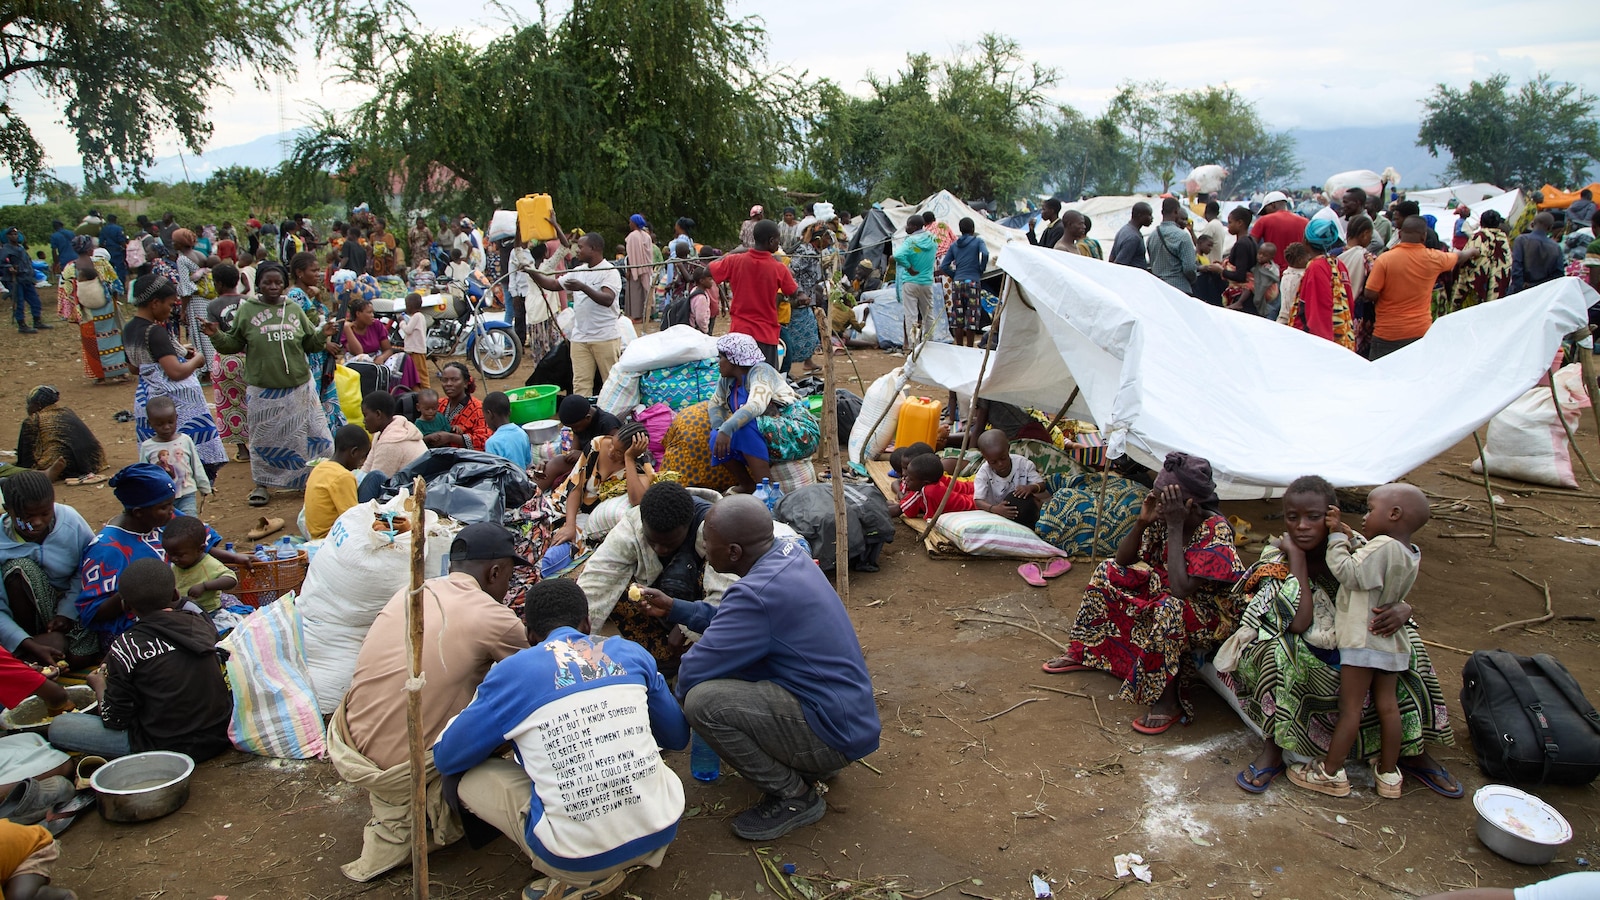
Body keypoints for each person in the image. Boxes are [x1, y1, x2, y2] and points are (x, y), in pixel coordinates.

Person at [435, 577, 687, 897]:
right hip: (662, 827)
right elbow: (677, 737)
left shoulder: (511, 673)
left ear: (529, 634)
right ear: (586, 623)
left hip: (577, 858)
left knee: (465, 778)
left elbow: (447, 757)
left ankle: (585, 879)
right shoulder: (630, 653)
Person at [651, 496, 879, 840]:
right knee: (727, 677)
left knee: (703, 701)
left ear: (733, 553)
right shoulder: (788, 560)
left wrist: (662, 722)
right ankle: (811, 763)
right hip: (845, 720)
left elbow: (693, 671)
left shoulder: (756, 593)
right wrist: (677, 609)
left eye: (707, 543)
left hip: (832, 733)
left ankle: (795, 795)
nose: (703, 550)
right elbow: (733, 623)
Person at [1216, 476, 1458, 797]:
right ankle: (1275, 747)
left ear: (1332, 515)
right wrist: (1298, 560)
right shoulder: (1277, 558)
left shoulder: (1360, 545)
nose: (1302, 526)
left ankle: (1411, 751)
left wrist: (1403, 608)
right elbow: (1299, 622)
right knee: (1279, 652)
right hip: (1305, 641)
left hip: (1358, 643)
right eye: (1293, 518)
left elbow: (1393, 585)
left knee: (1410, 645)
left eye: (1313, 517)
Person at [330, 522, 529, 883]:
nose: (508, 587)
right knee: (516, 709)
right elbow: (537, 680)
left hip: (353, 743)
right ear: (495, 571)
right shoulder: (493, 617)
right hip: (404, 764)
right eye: (509, 577)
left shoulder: (410, 592)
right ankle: (442, 805)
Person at [1043, 452, 1244, 734]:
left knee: (1169, 607)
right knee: (1108, 571)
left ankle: (1168, 700)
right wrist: (1142, 523)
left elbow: (1181, 590)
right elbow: (1123, 560)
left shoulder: (1215, 532)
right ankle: (1087, 651)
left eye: (1164, 498)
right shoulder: (1162, 520)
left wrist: (1174, 526)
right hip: (1166, 592)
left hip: (1209, 613)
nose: (1156, 501)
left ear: (1188, 504)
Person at [1288, 483, 1429, 798]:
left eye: (1370, 509)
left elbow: (1349, 572)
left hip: (1362, 640)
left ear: (1393, 514)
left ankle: (1330, 771)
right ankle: (1390, 775)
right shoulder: (1410, 552)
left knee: (1351, 708)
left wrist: (1337, 538)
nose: (1365, 516)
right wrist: (1352, 537)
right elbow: (1374, 566)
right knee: (1388, 708)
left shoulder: (1382, 546)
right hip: (1390, 642)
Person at [48, 558, 231, 761]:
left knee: (59, 727)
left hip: (165, 748)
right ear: (175, 594)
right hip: (218, 735)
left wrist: (99, 685)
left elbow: (114, 719)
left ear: (125, 606)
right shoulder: (200, 623)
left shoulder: (127, 647)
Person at [201, 261, 341, 505]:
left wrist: (322, 334)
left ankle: (315, 479)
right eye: (267, 282)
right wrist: (215, 335)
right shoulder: (248, 310)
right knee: (264, 441)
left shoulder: (294, 309)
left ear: (284, 284)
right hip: (264, 390)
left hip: (299, 387)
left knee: (315, 437)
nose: (273, 287)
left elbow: (309, 343)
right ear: (258, 285)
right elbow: (232, 344)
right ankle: (262, 484)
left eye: (278, 282)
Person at [576, 480, 735, 671]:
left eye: (669, 543)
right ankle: (663, 662)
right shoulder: (632, 527)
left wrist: (687, 627)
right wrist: (573, 642)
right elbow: (596, 580)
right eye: (652, 541)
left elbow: (729, 599)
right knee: (618, 590)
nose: (660, 549)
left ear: (687, 525)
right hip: (661, 613)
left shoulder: (716, 531)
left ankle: (698, 662)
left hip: (706, 618)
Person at [125, 274, 228, 479]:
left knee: (158, 452)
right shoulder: (154, 332)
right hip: (171, 403)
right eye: (170, 304)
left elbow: (134, 368)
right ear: (155, 303)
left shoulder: (129, 328)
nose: (172, 309)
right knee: (181, 447)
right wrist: (198, 360)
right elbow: (175, 372)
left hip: (146, 399)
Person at [0, 473, 99, 668]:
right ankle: (32, 644)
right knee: (19, 567)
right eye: (26, 517)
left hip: (75, 604)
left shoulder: (70, 521)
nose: (37, 522)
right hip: (26, 618)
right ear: (8, 510)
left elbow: (88, 568)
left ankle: (36, 652)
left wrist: (67, 613)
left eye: (45, 513)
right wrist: (26, 642)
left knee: (79, 657)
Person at [708, 333, 820, 493]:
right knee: (715, 437)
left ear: (734, 359)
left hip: (797, 431)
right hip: (766, 429)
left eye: (721, 358)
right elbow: (715, 403)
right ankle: (748, 485)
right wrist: (719, 428)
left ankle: (766, 488)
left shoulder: (762, 372)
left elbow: (756, 405)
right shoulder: (727, 380)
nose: (717, 363)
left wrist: (728, 428)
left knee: (743, 426)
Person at [1363, 217, 1476, 359]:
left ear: (1399, 234)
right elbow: (1458, 257)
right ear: (1424, 236)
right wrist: (1473, 251)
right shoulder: (1434, 258)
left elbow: (1370, 293)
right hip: (1420, 332)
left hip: (1388, 332)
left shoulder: (1385, 259)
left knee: (1381, 377)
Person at [529, 233, 621, 398]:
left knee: (611, 382)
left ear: (594, 249)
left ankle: (612, 419)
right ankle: (582, 418)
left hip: (605, 337)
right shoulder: (578, 271)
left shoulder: (610, 272)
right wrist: (531, 272)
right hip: (580, 339)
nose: (576, 250)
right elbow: (552, 284)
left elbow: (608, 299)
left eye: (580, 247)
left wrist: (583, 287)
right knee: (580, 383)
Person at [710, 220, 798, 369]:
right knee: (764, 382)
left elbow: (708, 270)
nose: (779, 243)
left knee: (738, 382)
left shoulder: (734, 260)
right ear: (771, 241)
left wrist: (731, 253)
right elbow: (793, 292)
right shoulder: (778, 268)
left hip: (739, 333)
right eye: (777, 239)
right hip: (765, 335)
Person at [284, 251, 346, 433]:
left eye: (319, 270)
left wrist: (317, 298)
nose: (318, 275)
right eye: (313, 270)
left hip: (318, 355)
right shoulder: (295, 296)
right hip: (310, 357)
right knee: (315, 401)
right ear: (299, 273)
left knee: (323, 399)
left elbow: (320, 318)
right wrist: (324, 344)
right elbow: (300, 328)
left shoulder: (305, 295)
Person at [57, 236, 128, 385]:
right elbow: (116, 284)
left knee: (91, 342)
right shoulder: (101, 262)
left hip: (86, 312)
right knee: (114, 338)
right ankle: (120, 372)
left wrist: (71, 314)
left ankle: (100, 375)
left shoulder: (69, 268)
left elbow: (66, 292)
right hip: (107, 310)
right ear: (90, 249)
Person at [205, 264, 251, 460]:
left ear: (219, 283)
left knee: (232, 404)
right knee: (254, 402)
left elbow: (214, 334)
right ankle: (259, 443)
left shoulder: (213, 306)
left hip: (225, 359)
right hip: (250, 356)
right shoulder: (249, 302)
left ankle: (242, 450)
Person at [139, 396, 212, 518]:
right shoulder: (147, 447)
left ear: (176, 418)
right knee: (167, 525)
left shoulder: (185, 440)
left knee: (188, 521)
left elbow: (196, 464)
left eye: (170, 422)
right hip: (161, 497)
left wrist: (204, 486)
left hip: (186, 492)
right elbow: (144, 474)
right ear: (150, 423)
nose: (166, 427)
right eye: (160, 424)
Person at [15, 386, 104, 483]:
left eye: (30, 404)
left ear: (38, 405)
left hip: (64, 466)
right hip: (94, 463)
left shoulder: (34, 419)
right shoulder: (67, 411)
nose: (28, 407)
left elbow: (26, 458)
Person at [1291, 219, 1357, 349]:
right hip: (1341, 339)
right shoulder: (1337, 264)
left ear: (1305, 240)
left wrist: (1321, 349)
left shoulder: (1316, 268)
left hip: (1324, 345)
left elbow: (1317, 314)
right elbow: (1349, 303)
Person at [302, 425, 371, 540]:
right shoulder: (343, 477)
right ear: (354, 452)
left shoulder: (320, 467)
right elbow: (353, 520)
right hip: (332, 538)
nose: (362, 462)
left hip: (313, 535)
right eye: (362, 456)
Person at [163, 515, 236, 615]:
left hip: (208, 613)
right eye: (170, 554)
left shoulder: (209, 564)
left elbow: (231, 579)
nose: (174, 559)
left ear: (200, 549)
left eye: (180, 555)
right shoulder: (175, 566)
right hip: (183, 613)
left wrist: (205, 586)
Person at [972, 430, 1045, 528]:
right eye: (993, 462)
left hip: (1024, 513)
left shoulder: (1023, 464)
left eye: (1003, 458)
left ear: (1008, 448)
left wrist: (1030, 488)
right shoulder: (984, 473)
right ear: (985, 457)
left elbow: (1042, 485)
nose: (1000, 464)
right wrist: (995, 509)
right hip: (997, 513)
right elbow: (978, 501)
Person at [939, 218, 990, 347]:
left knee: (958, 317)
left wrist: (955, 275)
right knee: (971, 316)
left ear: (960, 230)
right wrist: (980, 269)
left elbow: (944, 265)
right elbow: (985, 253)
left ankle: (960, 347)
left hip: (957, 283)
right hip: (972, 281)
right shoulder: (978, 241)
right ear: (973, 229)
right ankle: (969, 347)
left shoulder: (954, 245)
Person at [359, 390, 426, 483]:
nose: (364, 421)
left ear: (378, 414)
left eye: (365, 415)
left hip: (411, 490)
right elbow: (366, 468)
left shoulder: (391, 442)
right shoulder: (382, 433)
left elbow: (375, 481)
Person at [422, 362, 492, 450]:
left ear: (466, 383)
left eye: (454, 379)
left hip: (467, 460)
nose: (448, 384)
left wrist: (451, 437)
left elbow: (484, 441)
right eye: (444, 380)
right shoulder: (438, 404)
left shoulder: (478, 408)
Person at [893, 215, 937, 347]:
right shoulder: (932, 239)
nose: (906, 228)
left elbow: (897, 255)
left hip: (911, 282)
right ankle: (929, 344)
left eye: (908, 225)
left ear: (915, 226)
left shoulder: (910, 241)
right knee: (928, 314)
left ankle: (914, 346)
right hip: (927, 282)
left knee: (911, 315)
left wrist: (909, 267)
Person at [1206, 208, 1257, 308]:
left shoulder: (1241, 244)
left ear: (1239, 223)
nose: (1228, 226)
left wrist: (1220, 270)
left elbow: (1240, 275)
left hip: (1240, 296)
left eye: (1230, 222)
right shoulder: (1251, 241)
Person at [898, 452, 974, 519]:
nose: (906, 479)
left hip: (977, 501)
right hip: (973, 490)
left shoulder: (928, 491)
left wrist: (898, 507)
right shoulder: (931, 480)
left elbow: (904, 510)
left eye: (911, 479)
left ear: (925, 483)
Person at [1147, 197, 1198, 295]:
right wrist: (1193, 280)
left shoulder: (1152, 237)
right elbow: (1190, 268)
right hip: (1179, 289)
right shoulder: (1183, 236)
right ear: (1176, 212)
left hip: (1159, 290)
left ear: (1162, 212)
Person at [1249, 191, 1310, 269]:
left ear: (1273, 205)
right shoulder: (1305, 221)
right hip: (1298, 270)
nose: (1266, 214)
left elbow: (1251, 244)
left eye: (1266, 211)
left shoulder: (1263, 220)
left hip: (1272, 271)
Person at [2, 228, 46, 334]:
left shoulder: (21, 248)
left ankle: (37, 321)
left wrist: (32, 276)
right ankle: (22, 325)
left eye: (16, 234)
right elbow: (2, 263)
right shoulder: (5, 249)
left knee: (35, 300)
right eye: (12, 234)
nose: (14, 236)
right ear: (7, 236)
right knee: (19, 302)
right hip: (15, 279)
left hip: (26, 278)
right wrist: (9, 267)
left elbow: (28, 262)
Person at [1510, 212, 1565, 294]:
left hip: (1521, 289)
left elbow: (1517, 267)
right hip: (1543, 293)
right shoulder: (1556, 247)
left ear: (1532, 224)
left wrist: (1519, 288)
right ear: (1550, 228)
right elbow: (1558, 275)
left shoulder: (1521, 240)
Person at [557, 394, 622, 458]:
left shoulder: (608, 424)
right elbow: (574, 450)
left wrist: (583, 455)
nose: (574, 430)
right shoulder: (580, 424)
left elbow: (618, 454)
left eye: (575, 427)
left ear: (588, 418)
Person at [482, 392, 532, 471]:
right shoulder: (522, 433)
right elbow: (528, 463)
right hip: (523, 480)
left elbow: (492, 472)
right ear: (510, 412)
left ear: (489, 414)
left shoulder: (492, 443)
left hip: (506, 482)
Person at [623, 214, 654, 322]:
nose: (629, 224)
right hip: (647, 268)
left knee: (636, 292)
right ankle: (647, 314)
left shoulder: (632, 236)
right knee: (646, 291)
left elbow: (632, 255)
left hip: (635, 269)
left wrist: (630, 270)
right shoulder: (647, 236)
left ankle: (637, 316)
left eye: (630, 222)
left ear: (634, 223)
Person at [1109, 203, 1152, 270]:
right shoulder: (1133, 238)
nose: (1152, 218)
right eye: (1149, 215)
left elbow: (1111, 258)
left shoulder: (1124, 230)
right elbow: (1120, 264)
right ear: (1139, 215)